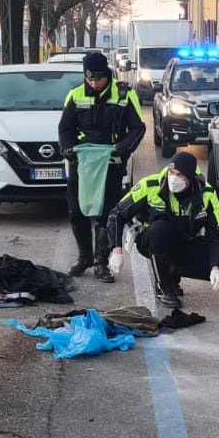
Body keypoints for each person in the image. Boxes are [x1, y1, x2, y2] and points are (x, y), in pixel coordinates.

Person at [105, 151, 219, 309]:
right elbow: (116, 214)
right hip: (152, 240)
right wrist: (116, 250)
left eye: (179, 175)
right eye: (171, 172)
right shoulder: (150, 185)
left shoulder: (207, 195)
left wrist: (215, 267)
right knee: (160, 228)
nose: (174, 178)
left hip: (184, 241)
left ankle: (171, 271)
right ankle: (163, 287)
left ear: (190, 177)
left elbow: (217, 236)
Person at [58, 51, 145, 282]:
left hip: (111, 163)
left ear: (106, 74)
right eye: (90, 80)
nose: (94, 84)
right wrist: (67, 148)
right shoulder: (75, 95)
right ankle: (84, 257)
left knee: (107, 213)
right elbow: (65, 129)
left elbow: (138, 128)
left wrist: (123, 149)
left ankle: (101, 262)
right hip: (83, 163)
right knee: (76, 211)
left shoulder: (124, 95)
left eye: (98, 79)